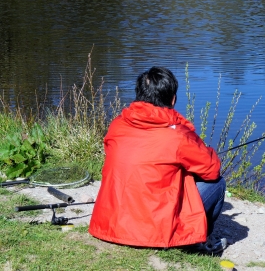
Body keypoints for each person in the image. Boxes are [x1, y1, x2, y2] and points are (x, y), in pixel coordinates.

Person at [89, 66, 227, 255]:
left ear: (139, 95)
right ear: (172, 99)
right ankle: (195, 243)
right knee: (217, 184)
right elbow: (212, 170)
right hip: (154, 231)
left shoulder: (117, 124)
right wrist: (202, 147)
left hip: (110, 225)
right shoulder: (178, 135)